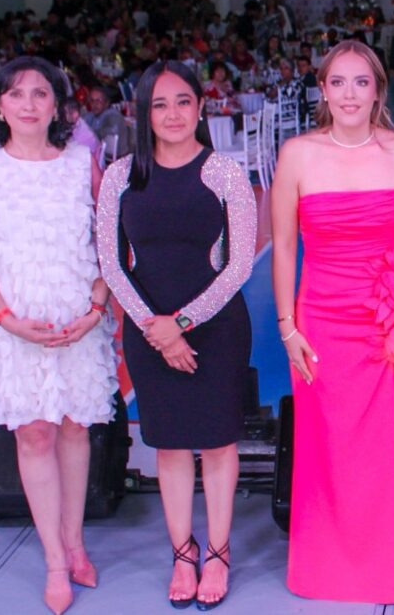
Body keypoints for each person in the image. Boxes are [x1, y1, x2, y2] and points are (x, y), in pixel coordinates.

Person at [270, 39, 394, 603]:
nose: (349, 94)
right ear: (322, 90)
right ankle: (333, 563)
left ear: (378, 91)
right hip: (321, 319)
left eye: (361, 82)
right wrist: (287, 327)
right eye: (338, 82)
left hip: (392, 321)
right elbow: (283, 247)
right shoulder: (297, 154)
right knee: (330, 443)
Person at [0, 56, 118, 615]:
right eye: (16, 94)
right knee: (35, 434)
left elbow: (107, 245)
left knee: (74, 427)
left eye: (40, 93)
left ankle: (75, 543)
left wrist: (96, 307)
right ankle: (53, 561)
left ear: (57, 105)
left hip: (77, 320)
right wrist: (6, 318)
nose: (28, 104)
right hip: (11, 325)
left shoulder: (81, 163)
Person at [96, 60, 256, 610]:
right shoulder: (120, 177)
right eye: (159, 104)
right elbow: (112, 264)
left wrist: (181, 324)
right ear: (142, 113)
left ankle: (218, 552)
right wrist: (156, 329)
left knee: (217, 441)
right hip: (147, 329)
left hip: (217, 327)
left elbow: (238, 266)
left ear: (200, 107)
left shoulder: (225, 173)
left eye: (183, 101)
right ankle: (183, 553)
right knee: (168, 444)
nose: (172, 114)